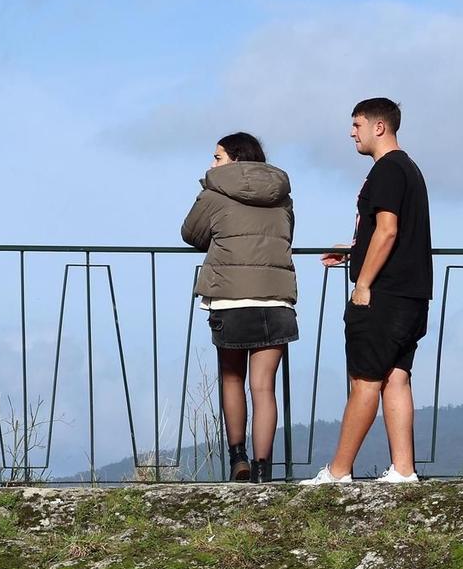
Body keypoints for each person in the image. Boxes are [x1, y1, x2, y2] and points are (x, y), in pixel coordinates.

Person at [309, 98, 433, 486]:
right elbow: (392, 233)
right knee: (397, 377)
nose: (352, 132)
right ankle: (403, 469)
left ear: (379, 127)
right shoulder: (409, 169)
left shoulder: (387, 170)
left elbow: (388, 229)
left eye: (357, 124)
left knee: (365, 380)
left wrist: (362, 282)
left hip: (383, 294)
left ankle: (338, 471)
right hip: (412, 293)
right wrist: (352, 252)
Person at [181, 132, 297, 484]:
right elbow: (287, 234)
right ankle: (264, 470)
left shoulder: (214, 193)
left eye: (217, 157)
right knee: (264, 388)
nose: (212, 163)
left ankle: (238, 461)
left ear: (233, 158)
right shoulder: (282, 196)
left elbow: (191, 232)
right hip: (276, 297)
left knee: (232, 379)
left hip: (230, 298)